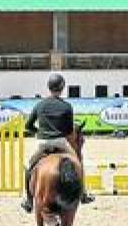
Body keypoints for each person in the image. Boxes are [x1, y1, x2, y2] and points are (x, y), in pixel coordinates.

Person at [20, 74, 94, 212]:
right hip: (61, 142)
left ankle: (28, 199)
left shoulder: (39, 105)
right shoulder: (66, 106)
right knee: (78, 162)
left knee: (28, 165)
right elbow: (68, 131)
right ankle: (84, 193)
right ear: (62, 88)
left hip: (42, 143)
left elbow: (28, 126)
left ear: (49, 87)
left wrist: (39, 132)